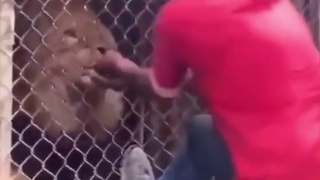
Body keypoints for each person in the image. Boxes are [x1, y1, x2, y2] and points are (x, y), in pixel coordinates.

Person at [84, 0, 320, 179]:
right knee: (205, 131)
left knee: (202, 140)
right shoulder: (278, 6)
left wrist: (128, 72)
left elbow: (163, 93)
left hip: (273, 167)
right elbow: (233, 81)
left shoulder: (181, 16)